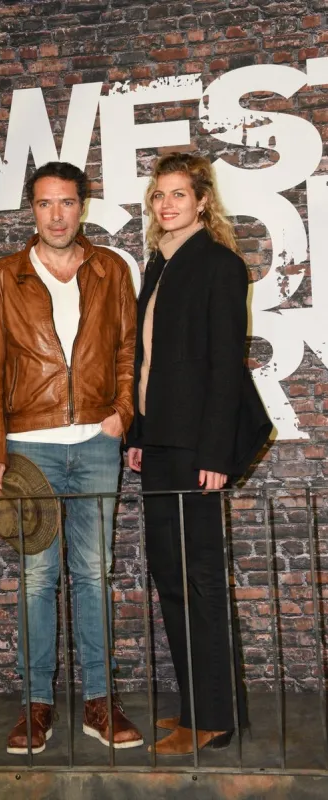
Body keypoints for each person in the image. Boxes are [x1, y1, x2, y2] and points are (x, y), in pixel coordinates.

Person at [0, 161, 143, 754]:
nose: (56, 215)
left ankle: (99, 701)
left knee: (93, 576)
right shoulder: (4, 277)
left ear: (82, 206)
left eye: (66, 203)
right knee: (38, 578)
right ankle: (36, 706)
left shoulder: (111, 269)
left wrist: (123, 411)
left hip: (97, 442)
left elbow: (128, 347)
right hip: (30, 445)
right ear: (32, 209)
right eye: (45, 204)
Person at [127, 152, 272, 756]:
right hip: (159, 443)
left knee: (200, 580)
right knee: (171, 578)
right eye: (160, 195)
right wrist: (137, 435)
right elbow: (148, 361)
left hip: (195, 450)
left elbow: (222, 367)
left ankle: (213, 717)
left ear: (202, 201)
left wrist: (214, 451)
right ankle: (196, 709)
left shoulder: (219, 264)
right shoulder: (158, 265)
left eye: (179, 195)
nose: (167, 205)